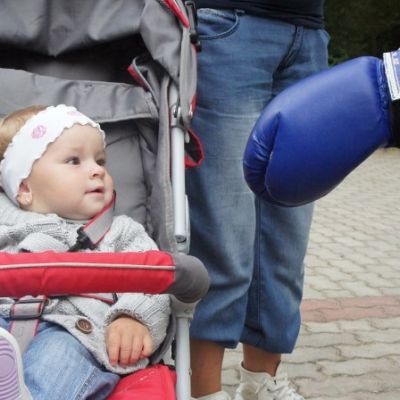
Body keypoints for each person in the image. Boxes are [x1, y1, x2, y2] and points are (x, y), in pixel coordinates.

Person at [186, 1, 329, 399]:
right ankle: (203, 391)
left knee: (286, 245)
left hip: (308, 33)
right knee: (223, 237)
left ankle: (260, 383)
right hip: (228, 26)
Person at [0, 104, 171, 400]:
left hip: (76, 331)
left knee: (57, 360)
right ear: (25, 188)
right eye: (74, 161)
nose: (97, 170)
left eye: (100, 160)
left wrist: (132, 317)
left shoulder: (121, 232)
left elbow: (152, 280)